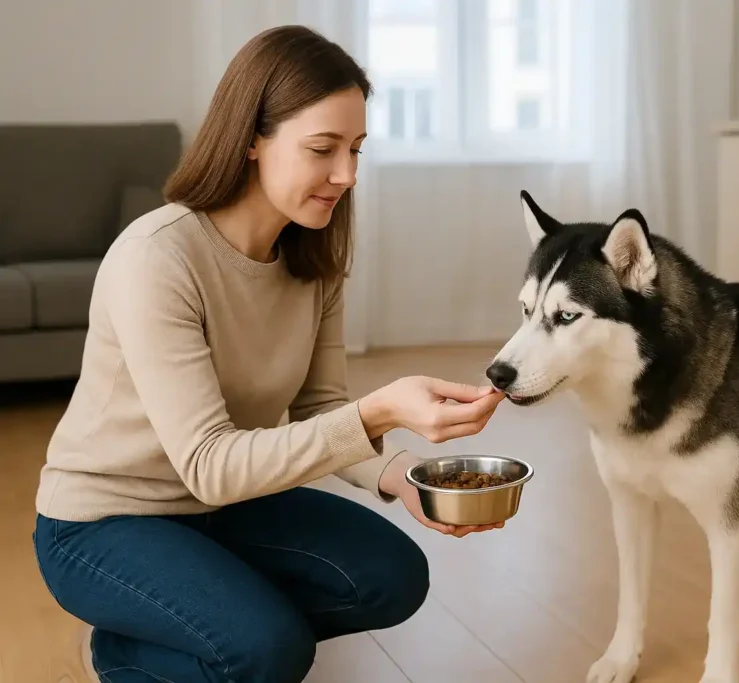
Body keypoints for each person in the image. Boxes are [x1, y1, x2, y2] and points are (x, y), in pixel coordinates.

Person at [32, 25, 506, 683]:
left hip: (220, 509)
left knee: (393, 577)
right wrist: (378, 410)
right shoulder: (158, 257)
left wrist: (405, 474)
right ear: (252, 138)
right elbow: (208, 464)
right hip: (102, 523)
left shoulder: (314, 255)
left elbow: (321, 406)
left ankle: (199, 618)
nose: (346, 175)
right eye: (322, 149)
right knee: (270, 649)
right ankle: (122, 650)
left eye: (356, 149)